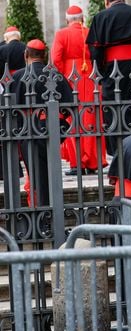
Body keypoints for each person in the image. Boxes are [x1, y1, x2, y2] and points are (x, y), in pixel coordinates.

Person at [10, 39, 74, 206]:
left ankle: (42, 209)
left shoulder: (18, 76)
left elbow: (8, 108)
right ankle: (52, 206)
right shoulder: (55, 74)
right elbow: (70, 105)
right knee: (51, 171)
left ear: (26, 54)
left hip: (28, 130)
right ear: (44, 55)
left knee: (36, 174)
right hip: (53, 128)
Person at [52, 5, 106, 175]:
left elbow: (55, 59)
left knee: (73, 118)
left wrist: (61, 78)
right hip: (90, 77)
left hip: (70, 78)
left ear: (67, 20)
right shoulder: (89, 32)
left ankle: (77, 163)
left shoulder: (61, 34)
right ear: (83, 18)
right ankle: (93, 161)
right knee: (91, 117)